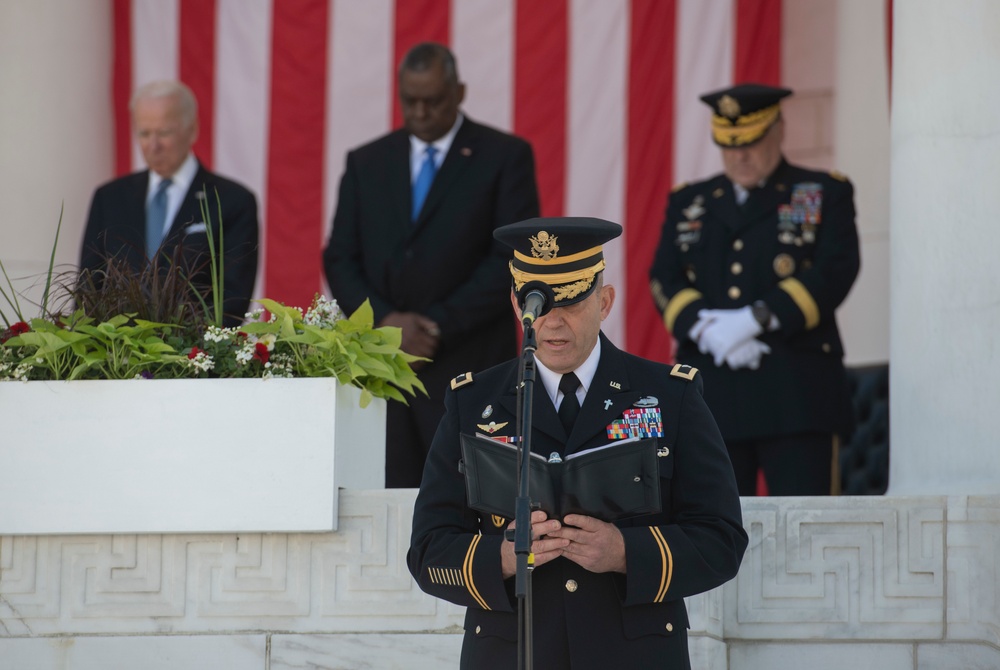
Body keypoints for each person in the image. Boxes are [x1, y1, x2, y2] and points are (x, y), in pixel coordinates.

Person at [408, 217, 747, 668]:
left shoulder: (670, 394)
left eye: (571, 301)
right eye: (538, 305)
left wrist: (627, 553)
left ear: (604, 301)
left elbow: (721, 539)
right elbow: (429, 550)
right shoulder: (472, 403)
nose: (553, 321)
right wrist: (503, 558)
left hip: (632, 654)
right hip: (513, 653)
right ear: (515, 303)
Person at [323, 42, 540, 488]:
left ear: (459, 92)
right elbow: (340, 255)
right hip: (384, 371)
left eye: (433, 100)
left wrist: (434, 327)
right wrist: (385, 324)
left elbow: (513, 257)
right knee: (384, 502)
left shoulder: (504, 157)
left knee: (473, 502)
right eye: (410, 101)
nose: (420, 112)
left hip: (471, 366)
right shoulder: (367, 161)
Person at [649, 83, 861, 496]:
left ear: (779, 130)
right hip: (711, 395)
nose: (739, 156)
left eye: (751, 142)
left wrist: (756, 318)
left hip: (796, 394)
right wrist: (706, 330)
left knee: (810, 530)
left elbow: (836, 269)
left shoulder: (821, 192)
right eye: (728, 145)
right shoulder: (690, 201)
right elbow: (663, 276)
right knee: (713, 534)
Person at [79, 80, 259, 327]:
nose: (154, 146)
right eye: (144, 133)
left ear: (192, 129)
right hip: (116, 357)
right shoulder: (109, 198)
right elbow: (87, 291)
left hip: (192, 357)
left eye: (164, 133)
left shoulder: (231, 201)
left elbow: (232, 301)